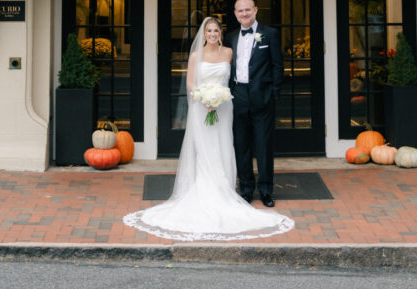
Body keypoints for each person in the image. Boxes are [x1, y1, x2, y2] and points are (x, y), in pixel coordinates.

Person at [123, 17, 293, 241]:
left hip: (224, 107)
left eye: (215, 31)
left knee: (224, 146)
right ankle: (207, 190)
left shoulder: (229, 53)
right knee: (205, 150)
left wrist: (220, 97)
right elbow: (190, 83)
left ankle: (228, 188)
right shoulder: (196, 56)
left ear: (220, 34)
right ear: (203, 35)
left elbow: (236, 78)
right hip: (202, 108)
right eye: (208, 31)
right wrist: (203, 98)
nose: (212, 34)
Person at [230, 0, 283, 206]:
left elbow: (277, 65)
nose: (244, 13)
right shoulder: (231, 37)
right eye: (240, 10)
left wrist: (274, 93)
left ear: (255, 10)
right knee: (241, 145)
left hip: (263, 97)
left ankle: (266, 190)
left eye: (248, 10)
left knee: (263, 146)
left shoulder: (270, 34)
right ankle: (246, 189)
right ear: (235, 14)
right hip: (238, 96)